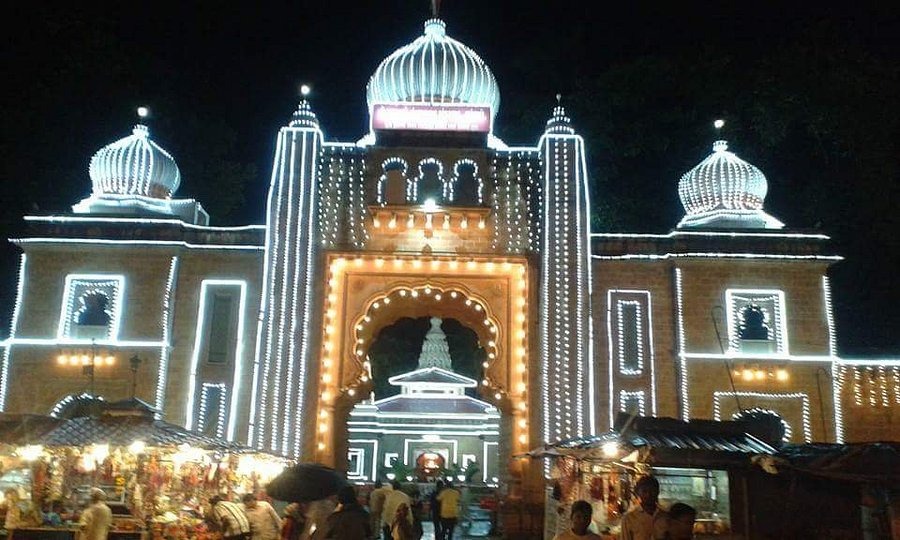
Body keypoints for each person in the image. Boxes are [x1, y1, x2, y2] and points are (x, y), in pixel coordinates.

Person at [620, 476, 668, 540]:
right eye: (644, 491)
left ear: (658, 492)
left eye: (652, 490)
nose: (648, 494)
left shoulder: (666, 516)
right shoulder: (629, 519)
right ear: (638, 493)